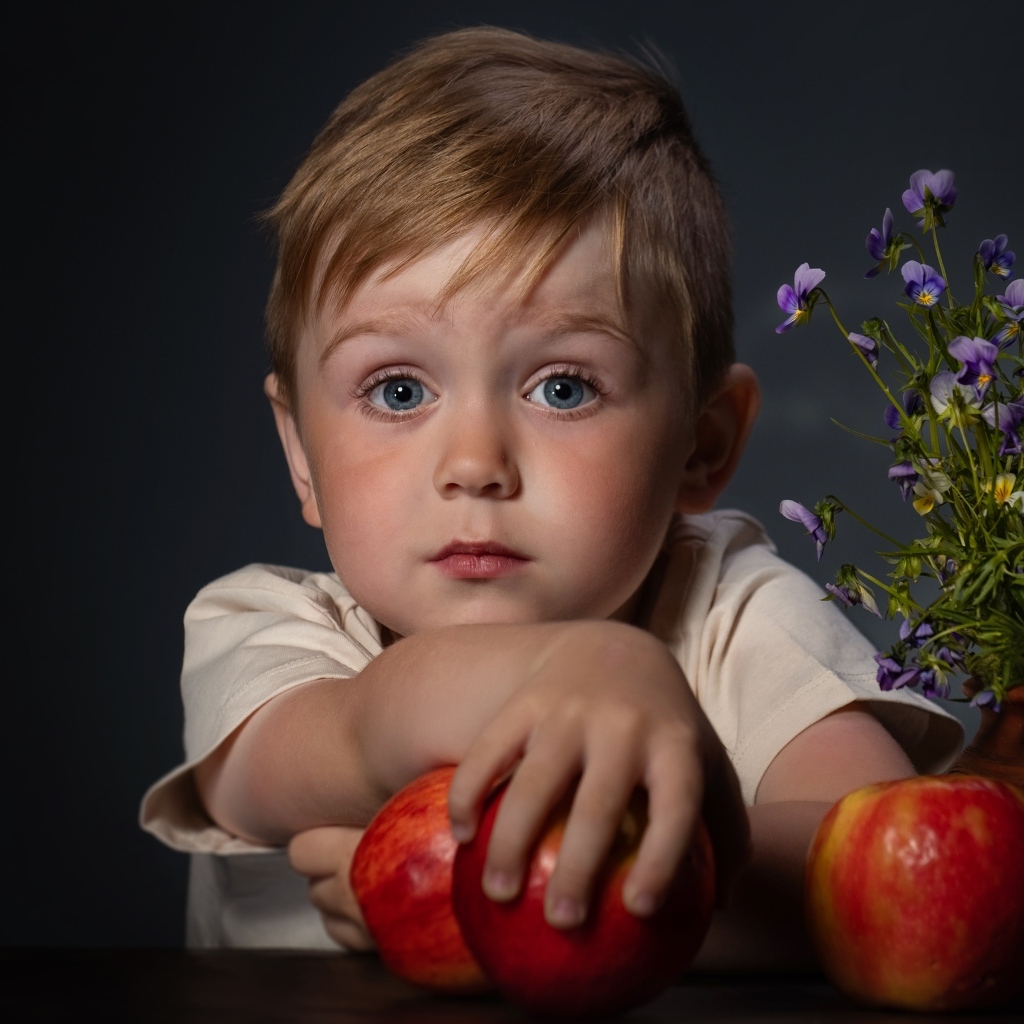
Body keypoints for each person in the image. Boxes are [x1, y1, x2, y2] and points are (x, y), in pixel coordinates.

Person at [140, 26, 962, 967]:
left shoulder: (729, 611)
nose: (476, 462)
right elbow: (354, 733)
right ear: (299, 454)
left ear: (703, 443)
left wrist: (504, 896)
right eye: (398, 391)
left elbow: (871, 862)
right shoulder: (263, 628)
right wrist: (584, 669)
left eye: (563, 387)